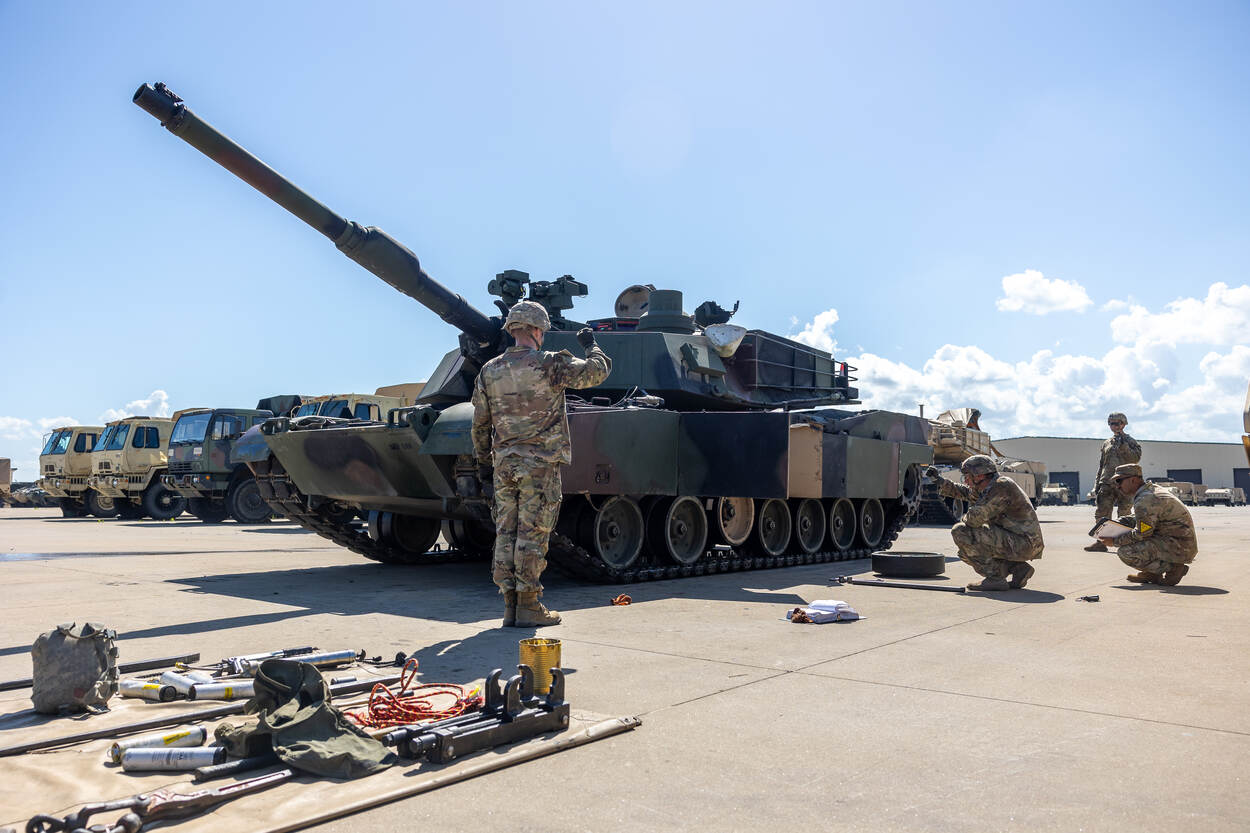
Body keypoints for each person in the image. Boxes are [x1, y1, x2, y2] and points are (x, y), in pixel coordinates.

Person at [470, 300, 612, 627]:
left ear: (512, 329)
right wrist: (591, 345)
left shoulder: (489, 370)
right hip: (539, 465)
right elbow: (597, 371)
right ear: (536, 330)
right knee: (533, 532)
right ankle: (530, 605)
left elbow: (479, 424)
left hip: (505, 465)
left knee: (506, 531)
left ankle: (510, 606)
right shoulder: (549, 363)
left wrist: (484, 463)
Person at [926, 455, 1044, 591]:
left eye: (967, 476)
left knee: (961, 533)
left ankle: (995, 579)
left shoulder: (1001, 486)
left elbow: (975, 519)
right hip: (1019, 541)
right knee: (966, 552)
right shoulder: (989, 486)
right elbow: (964, 492)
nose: (966, 480)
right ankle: (1019, 569)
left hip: (1024, 543)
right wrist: (939, 481)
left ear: (979, 475)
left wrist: (966, 518)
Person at [1094, 463, 1197, 586]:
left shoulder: (1145, 499)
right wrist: (1119, 522)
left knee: (1126, 552)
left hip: (1178, 546)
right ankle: (1152, 573)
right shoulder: (1149, 491)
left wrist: (1114, 541)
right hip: (1175, 541)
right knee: (1134, 542)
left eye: (1119, 481)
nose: (1118, 486)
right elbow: (1142, 518)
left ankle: (1173, 568)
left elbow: (1142, 533)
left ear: (1133, 480)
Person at [1084, 412, 1142, 552]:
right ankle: (1101, 542)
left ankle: (1124, 542)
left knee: (1124, 514)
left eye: (1117, 423)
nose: (1114, 426)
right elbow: (1102, 465)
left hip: (1125, 483)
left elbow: (1135, 459)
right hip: (1107, 482)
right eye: (1111, 424)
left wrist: (1124, 446)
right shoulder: (1107, 443)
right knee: (1102, 513)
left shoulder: (1131, 442)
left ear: (1123, 424)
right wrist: (1097, 484)